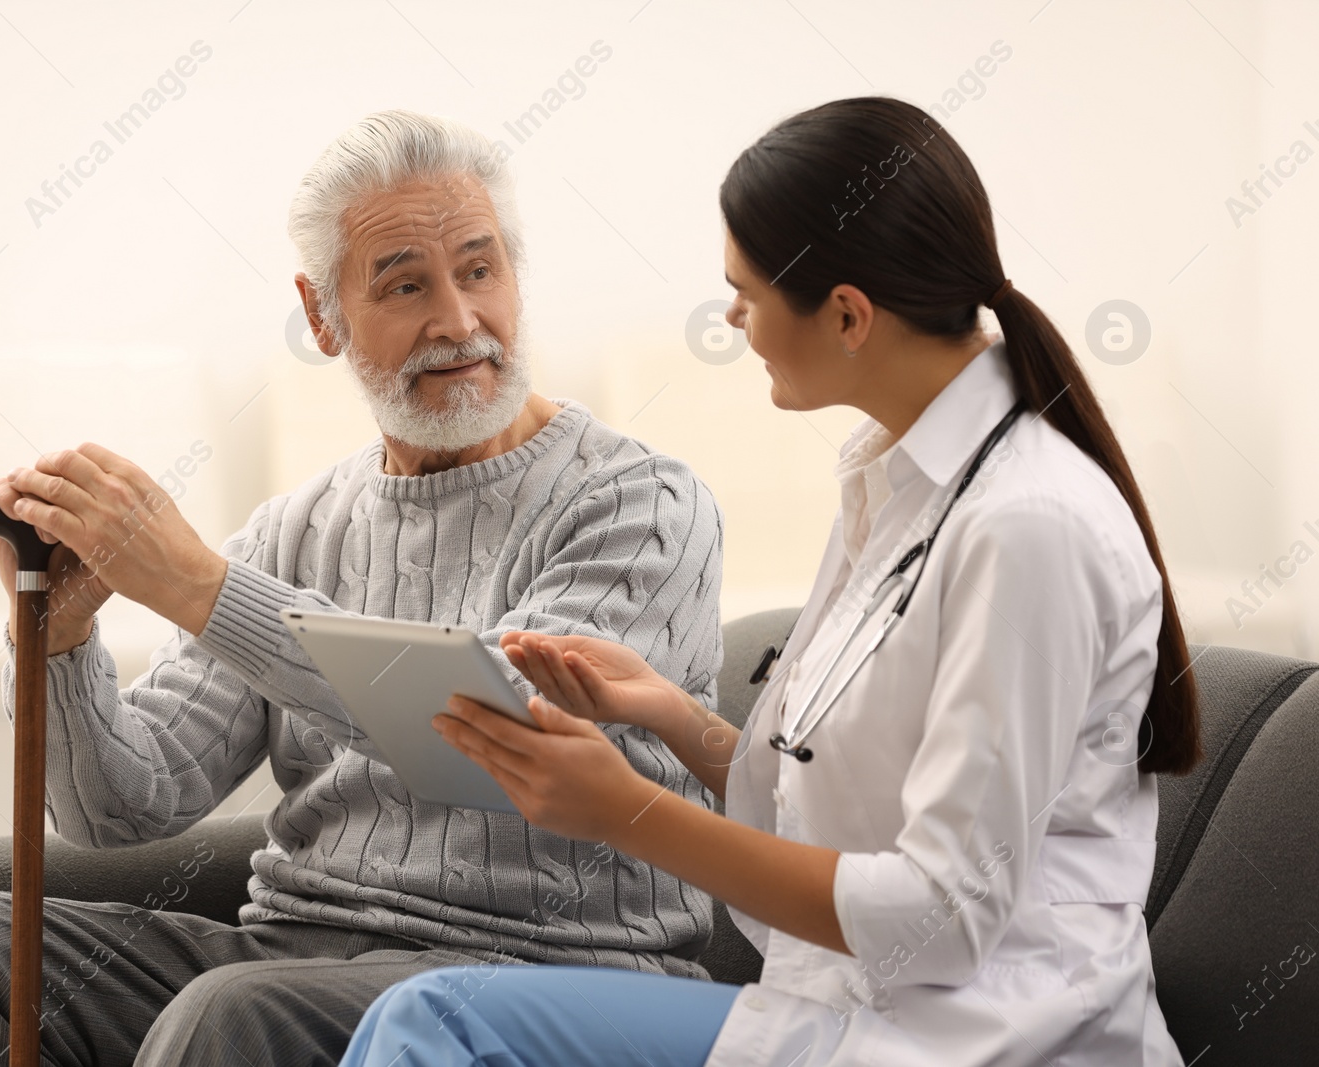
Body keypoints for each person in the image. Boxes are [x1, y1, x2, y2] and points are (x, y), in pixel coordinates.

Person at [335, 95, 1202, 1067]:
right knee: (417, 1015)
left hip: (989, 1038)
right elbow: (831, 801)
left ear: (844, 314)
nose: (733, 317)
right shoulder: (890, 480)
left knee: (438, 1020)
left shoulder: (1026, 525)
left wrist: (625, 809)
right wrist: (664, 711)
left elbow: (946, 914)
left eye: (744, 290)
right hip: (844, 1011)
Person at [0, 110, 725, 1067]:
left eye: (479, 270)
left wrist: (200, 586)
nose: (457, 320)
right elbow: (121, 807)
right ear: (323, 315)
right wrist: (61, 645)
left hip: (541, 972)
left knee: (235, 1013)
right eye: (406, 284)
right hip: (293, 950)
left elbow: (507, 743)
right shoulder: (297, 529)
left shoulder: (641, 502)